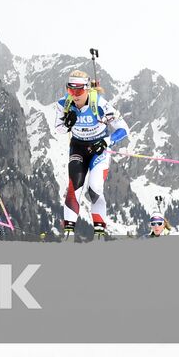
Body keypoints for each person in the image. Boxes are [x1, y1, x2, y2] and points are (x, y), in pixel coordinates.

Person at [59, 68, 129, 240]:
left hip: (98, 149)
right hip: (78, 147)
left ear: (87, 89)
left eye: (79, 90)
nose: (74, 95)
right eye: (70, 89)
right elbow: (59, 129)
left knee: (94, 187)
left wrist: (106, 142)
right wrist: (66, 124)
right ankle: (68, 235)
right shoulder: (64, 104)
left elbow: (124, 129)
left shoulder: (100, 104)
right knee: (74, 186)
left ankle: (99, 234)